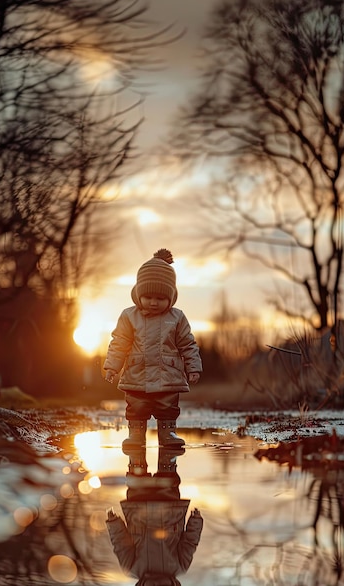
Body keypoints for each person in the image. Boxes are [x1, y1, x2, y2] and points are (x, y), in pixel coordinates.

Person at [103, 249, 202, 449]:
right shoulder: (129, 316)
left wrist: (193, 367)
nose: (154, 302)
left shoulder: (177, 317)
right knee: (136, 407)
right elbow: (119, 342)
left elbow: (187, 343)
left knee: (168, 407)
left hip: (168, 376)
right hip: (137, 375)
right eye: (148, 297)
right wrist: (112, 366)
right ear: (138, 294)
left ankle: (168, 433)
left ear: (171, 297)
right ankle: (136, 435)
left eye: (160, 298)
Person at [106, 444, 203, 586]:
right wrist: (113, 522)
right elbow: (121, 543)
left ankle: (166, 430)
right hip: (140, 509)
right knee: (137, 464)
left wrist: (195, 520)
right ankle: (138, 429)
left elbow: (190, 542)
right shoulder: (132, 569)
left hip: (168, 510)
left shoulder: (179, 567)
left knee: (166, 465)